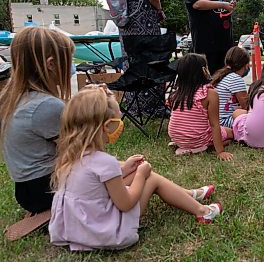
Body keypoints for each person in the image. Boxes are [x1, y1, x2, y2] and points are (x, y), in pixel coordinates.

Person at [49, 85, 222, 251]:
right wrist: (140, 174)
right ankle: (202, 211)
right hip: (105, 232)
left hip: (75, 230)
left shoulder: (70, 157)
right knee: (151, 178)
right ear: (107, 126)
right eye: (117, 120)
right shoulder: (104, 162)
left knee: (137, 172)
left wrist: (125, 168)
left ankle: (188, 194)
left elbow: (97, 182)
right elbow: (126, 203)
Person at [0, 28, 74, 236]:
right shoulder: (46, 105)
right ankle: (57, 210)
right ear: (51, 64)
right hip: (47, 189)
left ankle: (46, 212)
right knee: (136, 174)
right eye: (69, 61)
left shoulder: (10, 99)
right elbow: (80, 150)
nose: (71, 67)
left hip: (25, 191)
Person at [109, 0, 166, 116]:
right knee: (153, 64)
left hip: (126, 29)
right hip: (145, 27)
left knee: (133, 66)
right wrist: (159, 10)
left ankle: (135, 107)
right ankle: (154, 107)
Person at [168, 53, 234, 160]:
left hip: (177, 137)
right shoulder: (209, 93)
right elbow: (214, 125)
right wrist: (221, 152)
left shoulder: (176, 94)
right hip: (198, 138)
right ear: (204, 70)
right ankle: (205, 146)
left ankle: (186, 145)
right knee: (231, 133)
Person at [211, 47, 250, 128]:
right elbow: (247, 106)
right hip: (226, 121)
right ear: (246, 65)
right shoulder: (236, 79)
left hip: (217, 120)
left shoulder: (221, 75)